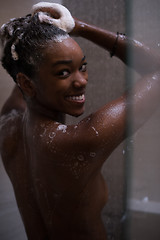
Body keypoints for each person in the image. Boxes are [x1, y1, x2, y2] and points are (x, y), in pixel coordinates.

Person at [0, 3, 160, 240]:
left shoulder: (8, 125)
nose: (82, 81)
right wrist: (80, 27)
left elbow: (26, 73)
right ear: (26, 83)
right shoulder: (77, 142)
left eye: (82, 67)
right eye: (63, 72)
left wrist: (22, 41)